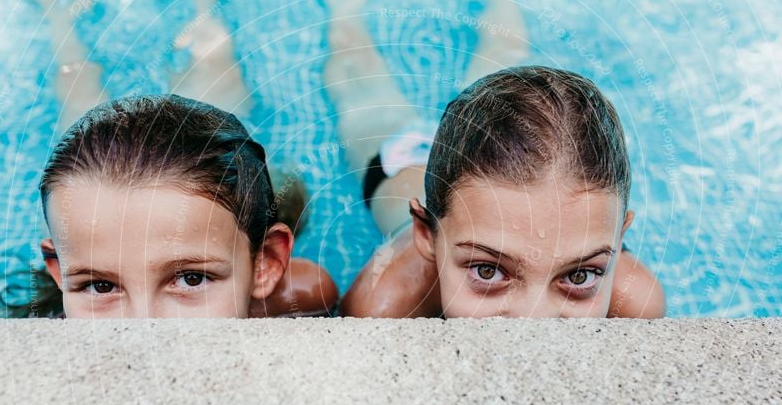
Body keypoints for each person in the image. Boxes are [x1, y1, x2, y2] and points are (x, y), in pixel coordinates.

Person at [337, 66, 665, 318]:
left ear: (620, 240)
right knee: (362, 85)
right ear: (427, 235)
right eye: (488, 270)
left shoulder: (637, 304)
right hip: (404, 164)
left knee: (502, 75)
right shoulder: (382, 307)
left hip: (497, 159)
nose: (533, 321)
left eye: (580, 275)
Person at [38, 94, 337, 318]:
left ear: (266, 264)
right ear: (59, 272)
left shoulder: (304, 292)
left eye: (191, 278)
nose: (143, 329)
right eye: (100, 286)